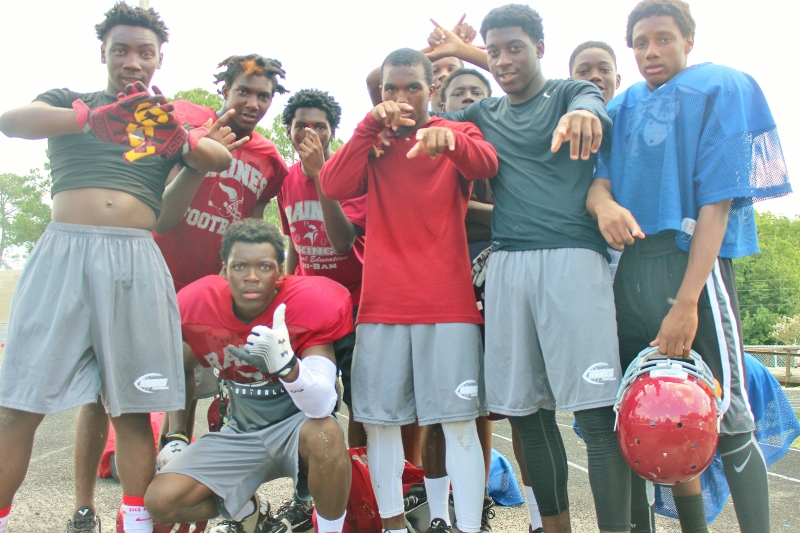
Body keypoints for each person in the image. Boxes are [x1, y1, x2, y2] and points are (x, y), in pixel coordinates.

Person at [0, 3, 233, 533]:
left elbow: (213, 165)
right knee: (18, 407)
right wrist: (90, 118)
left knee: (132, 410)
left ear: (158, 59)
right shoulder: (69, 101)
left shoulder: (162, 122)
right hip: (63, 255)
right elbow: (11, 122)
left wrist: (184, 144)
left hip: (135, 260)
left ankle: (136, 524)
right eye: (121, 50)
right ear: (103, 52)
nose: (133, 61)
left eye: (144, 52)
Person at [587, 1, 791, 532]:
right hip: (632, 269)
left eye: (663, 38)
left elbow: (716, 206)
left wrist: (686, 302)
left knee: (730, 418)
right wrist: (604, 205)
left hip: (693, 268)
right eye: (640, 42)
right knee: (641, 414)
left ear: (689, 41)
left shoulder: (720, 88)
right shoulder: (622, 106)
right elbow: (598, 184)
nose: (650, 51)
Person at [428, 5, 632, 533]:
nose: (503, 61)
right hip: (508, 265)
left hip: (573, 260)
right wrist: (448, 57)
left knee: (595, 414)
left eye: (515, 48)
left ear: (540, 48)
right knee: (526, 414)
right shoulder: (482, 114)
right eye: (494, 51)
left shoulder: (569, 93)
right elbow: (424, 121)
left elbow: (591, 101)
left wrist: (584, 113)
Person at [320, 48, 498, 533]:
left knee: (459, 425)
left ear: (431, 90)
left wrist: (450, 139)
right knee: (381, 425)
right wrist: (366, 129)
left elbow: (486, 165)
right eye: (391, 89)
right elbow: (332, 184)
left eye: (412, 87)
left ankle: (467, 526)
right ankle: (394, 526)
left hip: (449, 306)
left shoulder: (457, 130)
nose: (401, 98)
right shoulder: (372, 140)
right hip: (382, 306)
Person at [144, 219, 353, 533]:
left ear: (280, 272)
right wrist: (176, 435)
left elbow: (322, 404)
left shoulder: (306, 305)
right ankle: (249, 510)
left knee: (327, 433)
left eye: (264, 266)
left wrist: (289, 368)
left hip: (297, 429)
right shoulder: (199, 306)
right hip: (240, 431)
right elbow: (175, 364)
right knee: (161, 501)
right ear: (224, 271)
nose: (251, 277)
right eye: (240, 266)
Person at [274, 88, 366, 532]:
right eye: (300, 126)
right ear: (288, 131)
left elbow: (342, 241)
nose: (309, 133)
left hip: (357, 303)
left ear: (333, 132)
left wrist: (321, 177)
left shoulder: (350, 174)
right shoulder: (286, 181)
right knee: (310, 405)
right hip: (311, 311)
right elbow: (294, 242)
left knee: (362, 403)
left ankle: (361, 491)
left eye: (319, 126)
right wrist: (287, 290)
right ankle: (306, 494)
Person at [421, 67, 498, 533]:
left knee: (482, 406)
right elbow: (443, 213)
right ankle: (437, 514)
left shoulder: (503, 144)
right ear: (440, 101)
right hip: (443, 286)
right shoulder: (430, 144)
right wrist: (504, 215)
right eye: (457, 92)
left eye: (477, 91)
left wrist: (472, 213)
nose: (467, 98)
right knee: (439, 408)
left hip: (495, 287)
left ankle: (476, 503)